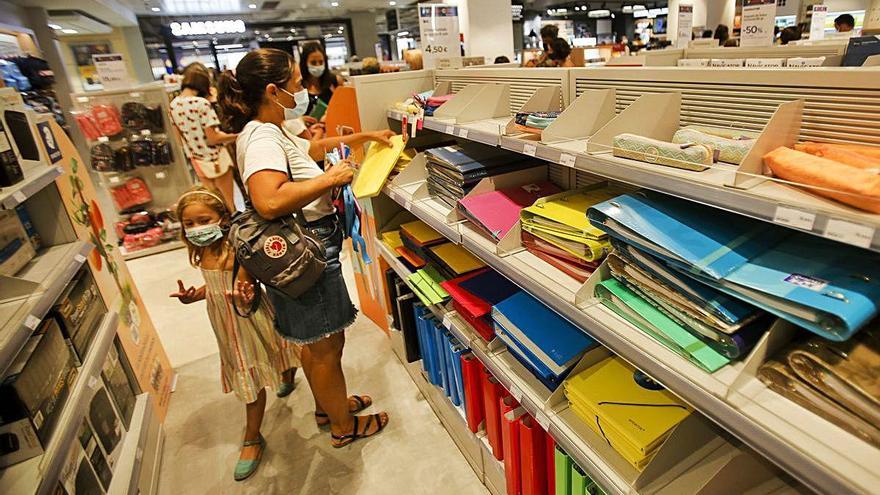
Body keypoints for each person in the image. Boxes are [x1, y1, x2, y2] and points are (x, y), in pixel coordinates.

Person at [217, 48, 393, 449]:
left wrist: (365, 137)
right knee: (326, 345)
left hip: (303, 249)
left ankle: (329, 407)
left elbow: (305, 151)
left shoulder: (268, 128)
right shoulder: (261, 136)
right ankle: (343, 425)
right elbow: (269, 200)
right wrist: (331, 179)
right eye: (295, 80)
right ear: (273, 90)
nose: (303, 86)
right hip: (307, 252)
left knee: (317, 342)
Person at [170, 186, 301, 481]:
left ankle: (252, 437)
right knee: (259, 365)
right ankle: (281, 386)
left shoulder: (237, 248)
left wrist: (246, 290)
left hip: (249, 316)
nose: (196, 229)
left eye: (203, 220)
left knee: (269, 354)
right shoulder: (201, 252)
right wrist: (195, 295)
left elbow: (252, 281)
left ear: (223, 218)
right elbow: (215, 287)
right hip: (226, 326)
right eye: (189, 224)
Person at [170, 64, 237, 208]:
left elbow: (180, 140)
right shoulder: (201, 103)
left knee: (213, 205)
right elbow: (213, 138)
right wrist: (236, 136)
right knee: (229, 204)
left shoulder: (173, 105)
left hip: (198, 160)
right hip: (217, 158)